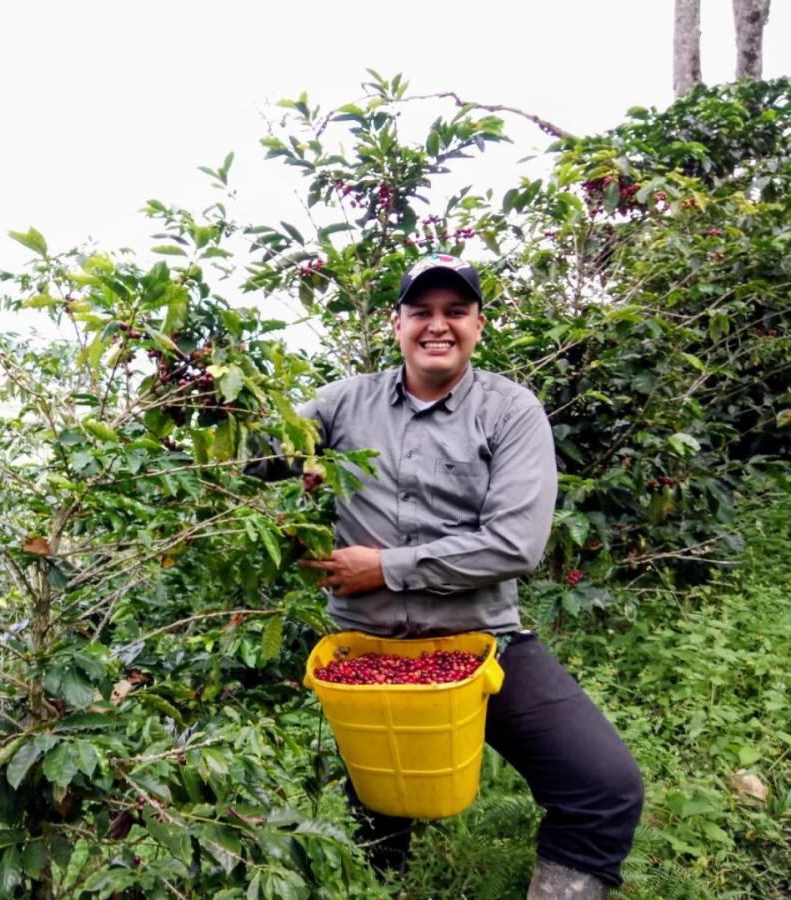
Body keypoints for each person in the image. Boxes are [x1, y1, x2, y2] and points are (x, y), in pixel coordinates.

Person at [248, 254, 643, 898]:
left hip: (479, 642)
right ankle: (389, 884)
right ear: (396, 322)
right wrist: (208, 395)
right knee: (380, 815)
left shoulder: (510, 411)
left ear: (478, 325)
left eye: (455, 312)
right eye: (422, 312)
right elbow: (253, 457)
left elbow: (515, 547)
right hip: (367, 653)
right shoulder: (344, 402)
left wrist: (385, 567)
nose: (439, 326)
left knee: (604, 785)